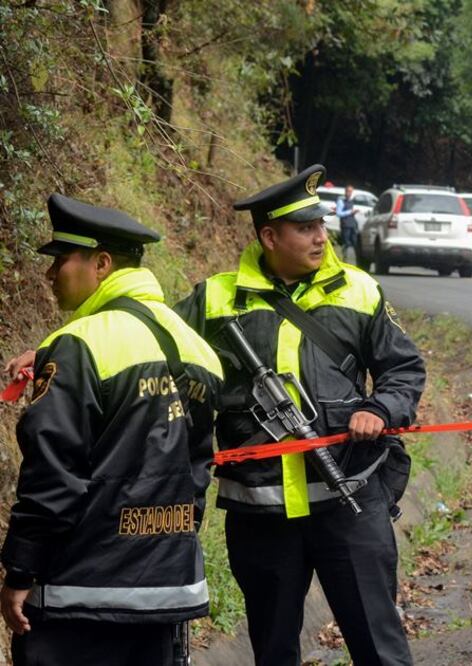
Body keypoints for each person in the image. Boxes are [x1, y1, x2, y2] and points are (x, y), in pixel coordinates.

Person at [173, 165, 426, 666]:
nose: (320, 237)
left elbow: (404, 370)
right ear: (269, 236)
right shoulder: (216, 299)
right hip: (261, 513)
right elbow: (148, 338)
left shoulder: (357, 290)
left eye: (321, 224)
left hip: (348, 498)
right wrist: (55, 352)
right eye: (305, 228)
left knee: (380, 647)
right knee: (273, 651)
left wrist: (380, 408)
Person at [0, 194, 223, 665]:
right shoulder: (197, 348)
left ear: (101, 264)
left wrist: (20, 569)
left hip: (78, 598)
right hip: (166, 594)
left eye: (61, 259)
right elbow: (196, 470)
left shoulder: (79, 345)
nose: (49, 273)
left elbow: (52, 473)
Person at [336, 185, 359, 264]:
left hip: (353, 225)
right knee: (345, 244)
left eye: (350, 191)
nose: (349, 193)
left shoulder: (352, 202)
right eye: (348, 191)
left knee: (355, 243)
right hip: (345, 226)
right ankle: (344, 261)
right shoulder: (341, 201)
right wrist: (350, 212)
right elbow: (338, 213)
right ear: (345, 191)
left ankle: (356, 262)